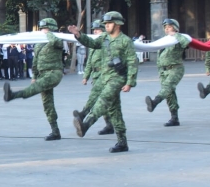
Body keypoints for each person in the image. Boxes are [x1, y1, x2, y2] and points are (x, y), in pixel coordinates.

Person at [68, 11, 138, 153]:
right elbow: (92, 43)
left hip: (117, 78)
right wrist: (78, 34)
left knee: (103, 100)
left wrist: (130, 82)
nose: (106, 26)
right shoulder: (104, 38)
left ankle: (86, 124)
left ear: (118, 24)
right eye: (105, 23)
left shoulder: (125, 41)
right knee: (114, 110)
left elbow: (132, 62)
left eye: (109, 23)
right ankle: (122, 142)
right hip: (104, 77)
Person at [3, 19, 64, 141]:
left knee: (35, 89)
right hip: (42, 74)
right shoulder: (40, 43)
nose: (42, 31)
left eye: (45, 28)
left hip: (53, 73)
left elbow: (57, 42)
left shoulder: (56, 39)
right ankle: (55, 131)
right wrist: (34, 76)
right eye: (41, 29)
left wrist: (48, 33)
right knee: (48, 104)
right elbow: (35, 61)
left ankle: (12, 95)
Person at [145, 18, 190, 126]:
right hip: (163, 70)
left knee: (167, 87)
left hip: (176, 68)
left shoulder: (179, 38)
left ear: (175, 28)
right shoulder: (165, 40)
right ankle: (174, 118)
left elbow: (186, 43)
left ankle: (155, 101)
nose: (167, 29)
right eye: (165, 27)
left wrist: (176, 34)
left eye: (169, 27)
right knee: (169, 94)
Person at [72, 20, 114, 135]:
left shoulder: (106, 43)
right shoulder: (93, 44)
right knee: (105, 103)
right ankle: (110, 125)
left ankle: (84, 114)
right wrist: (86, 76)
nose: (95, 32)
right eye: (94, 30)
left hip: (104, 75)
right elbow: (90, 62)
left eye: (98, 29)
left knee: (95, 97)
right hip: (95, 76)